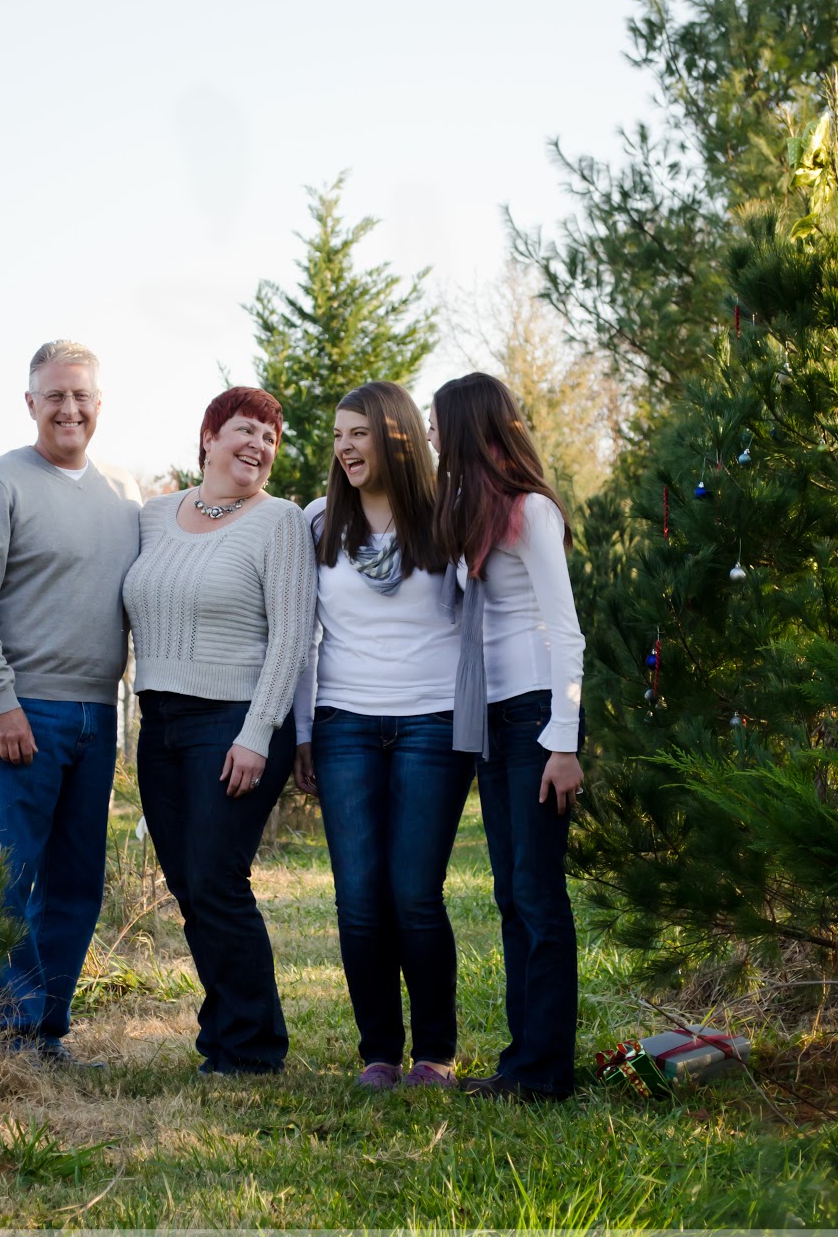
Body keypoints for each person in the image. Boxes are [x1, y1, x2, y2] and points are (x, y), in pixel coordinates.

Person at [0, 339, 140, 1066]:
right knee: (2, 877)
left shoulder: (125, 494)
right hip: (21, 709)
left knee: (75, 883)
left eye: (80, 395)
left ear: (98, 404)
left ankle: (48, 1030)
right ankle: (3, 1035)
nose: (69, 408)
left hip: (98, 716)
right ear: (31, 403)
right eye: (54, 396)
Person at [123, 386, 316, 1076]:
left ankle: (251, 1046)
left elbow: (293, 634)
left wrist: (259, 732)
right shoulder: (151, 517)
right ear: (207, 436)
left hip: (234, 720)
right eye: (245, 430)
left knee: (216, 877)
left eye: (269, 438)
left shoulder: (280, 522)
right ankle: (230, 1029)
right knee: (188, 884)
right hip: (160, 722)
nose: (258, 446)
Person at [293, 382, 474, 1089]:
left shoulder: (448, 513)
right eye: (338, 436)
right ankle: (379, 1052)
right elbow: (302, 633)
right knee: (359, 897)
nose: (344, 448)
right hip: (345, 725)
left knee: (414, 893)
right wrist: (305, 730)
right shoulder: (316, 522)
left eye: (358, 434)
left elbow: (485, 612)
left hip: (434, 723)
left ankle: (436, 1051)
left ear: (397, 435)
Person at [429, 372, 585, 1103]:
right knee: (510, 894)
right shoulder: (474, 514)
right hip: (491, 721)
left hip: (534, 720)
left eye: (437, 426)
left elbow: (566, 631)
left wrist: (564, 740)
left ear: (469, 429)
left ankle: (545, 1070)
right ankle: (524, 1060)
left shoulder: (531, 512)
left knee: (537, 894)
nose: (431, 438)